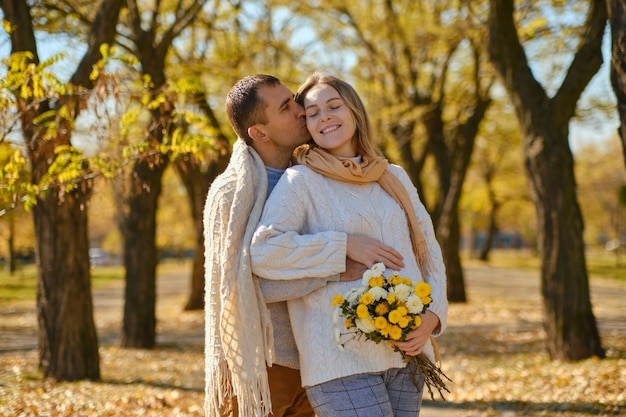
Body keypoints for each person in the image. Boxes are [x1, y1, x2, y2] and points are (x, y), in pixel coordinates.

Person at [203, 74, 404, 417]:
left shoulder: (316, 174)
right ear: (260, 132)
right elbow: (239, 288)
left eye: (294, 99)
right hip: (263, 362)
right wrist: (334, 266)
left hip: (322, 359)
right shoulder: (232, 195)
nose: (301, 110)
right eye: (285, 108)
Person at [250, 73, 448, 417]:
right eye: (312, 112)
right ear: (307, 126)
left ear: (354, 111)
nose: (324, 116)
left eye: (333, 106)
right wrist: (342, 246)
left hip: (407, 349)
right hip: (338, 358)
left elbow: (429, 252)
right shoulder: (301, 181)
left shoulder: (394, 176)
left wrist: (433, 317)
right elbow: (264, 250)